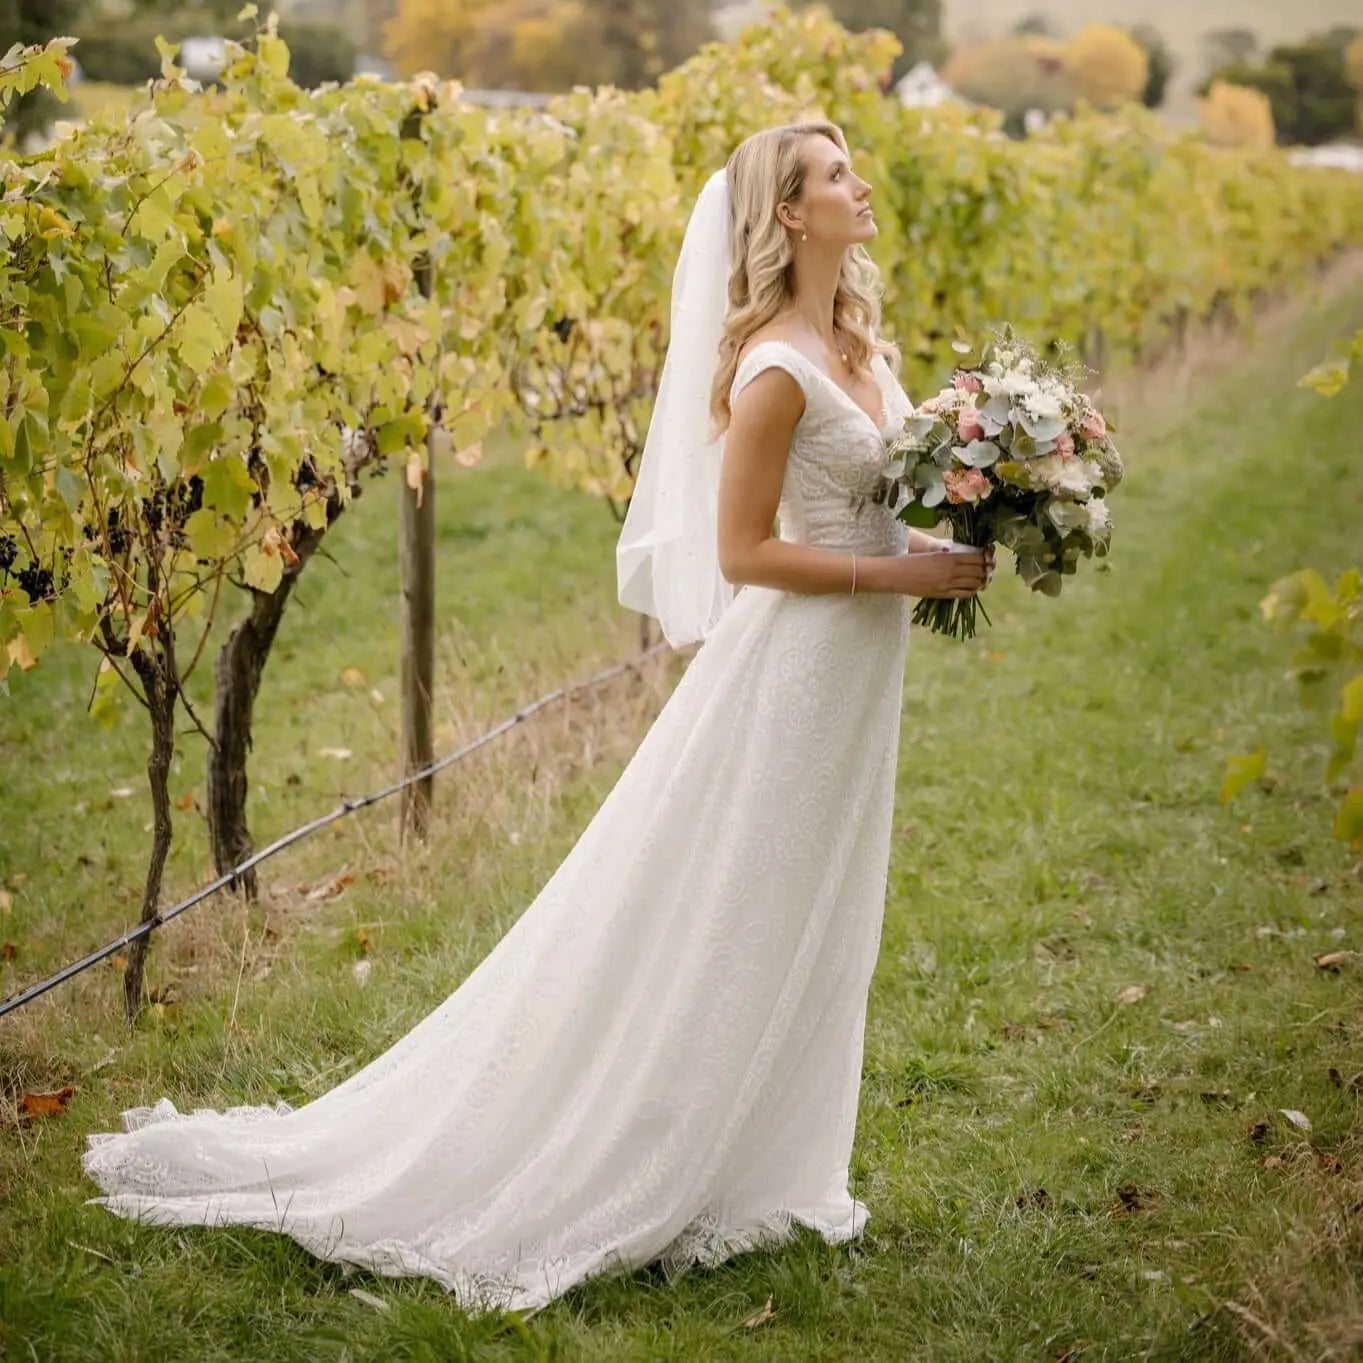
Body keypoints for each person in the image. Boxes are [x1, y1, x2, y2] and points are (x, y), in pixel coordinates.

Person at [82, 119, 990, 1316]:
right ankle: (646, 1153)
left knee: (820, 915)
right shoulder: (775, 365)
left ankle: (766, 1167)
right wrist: (897, 577)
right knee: (734, 911)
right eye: (834, 175)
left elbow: (863, 511)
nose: (858, 184)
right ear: (785, 211)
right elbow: (746, 550)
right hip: (795, 675)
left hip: (856, 680)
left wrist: (951, 537)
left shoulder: (856, 344)